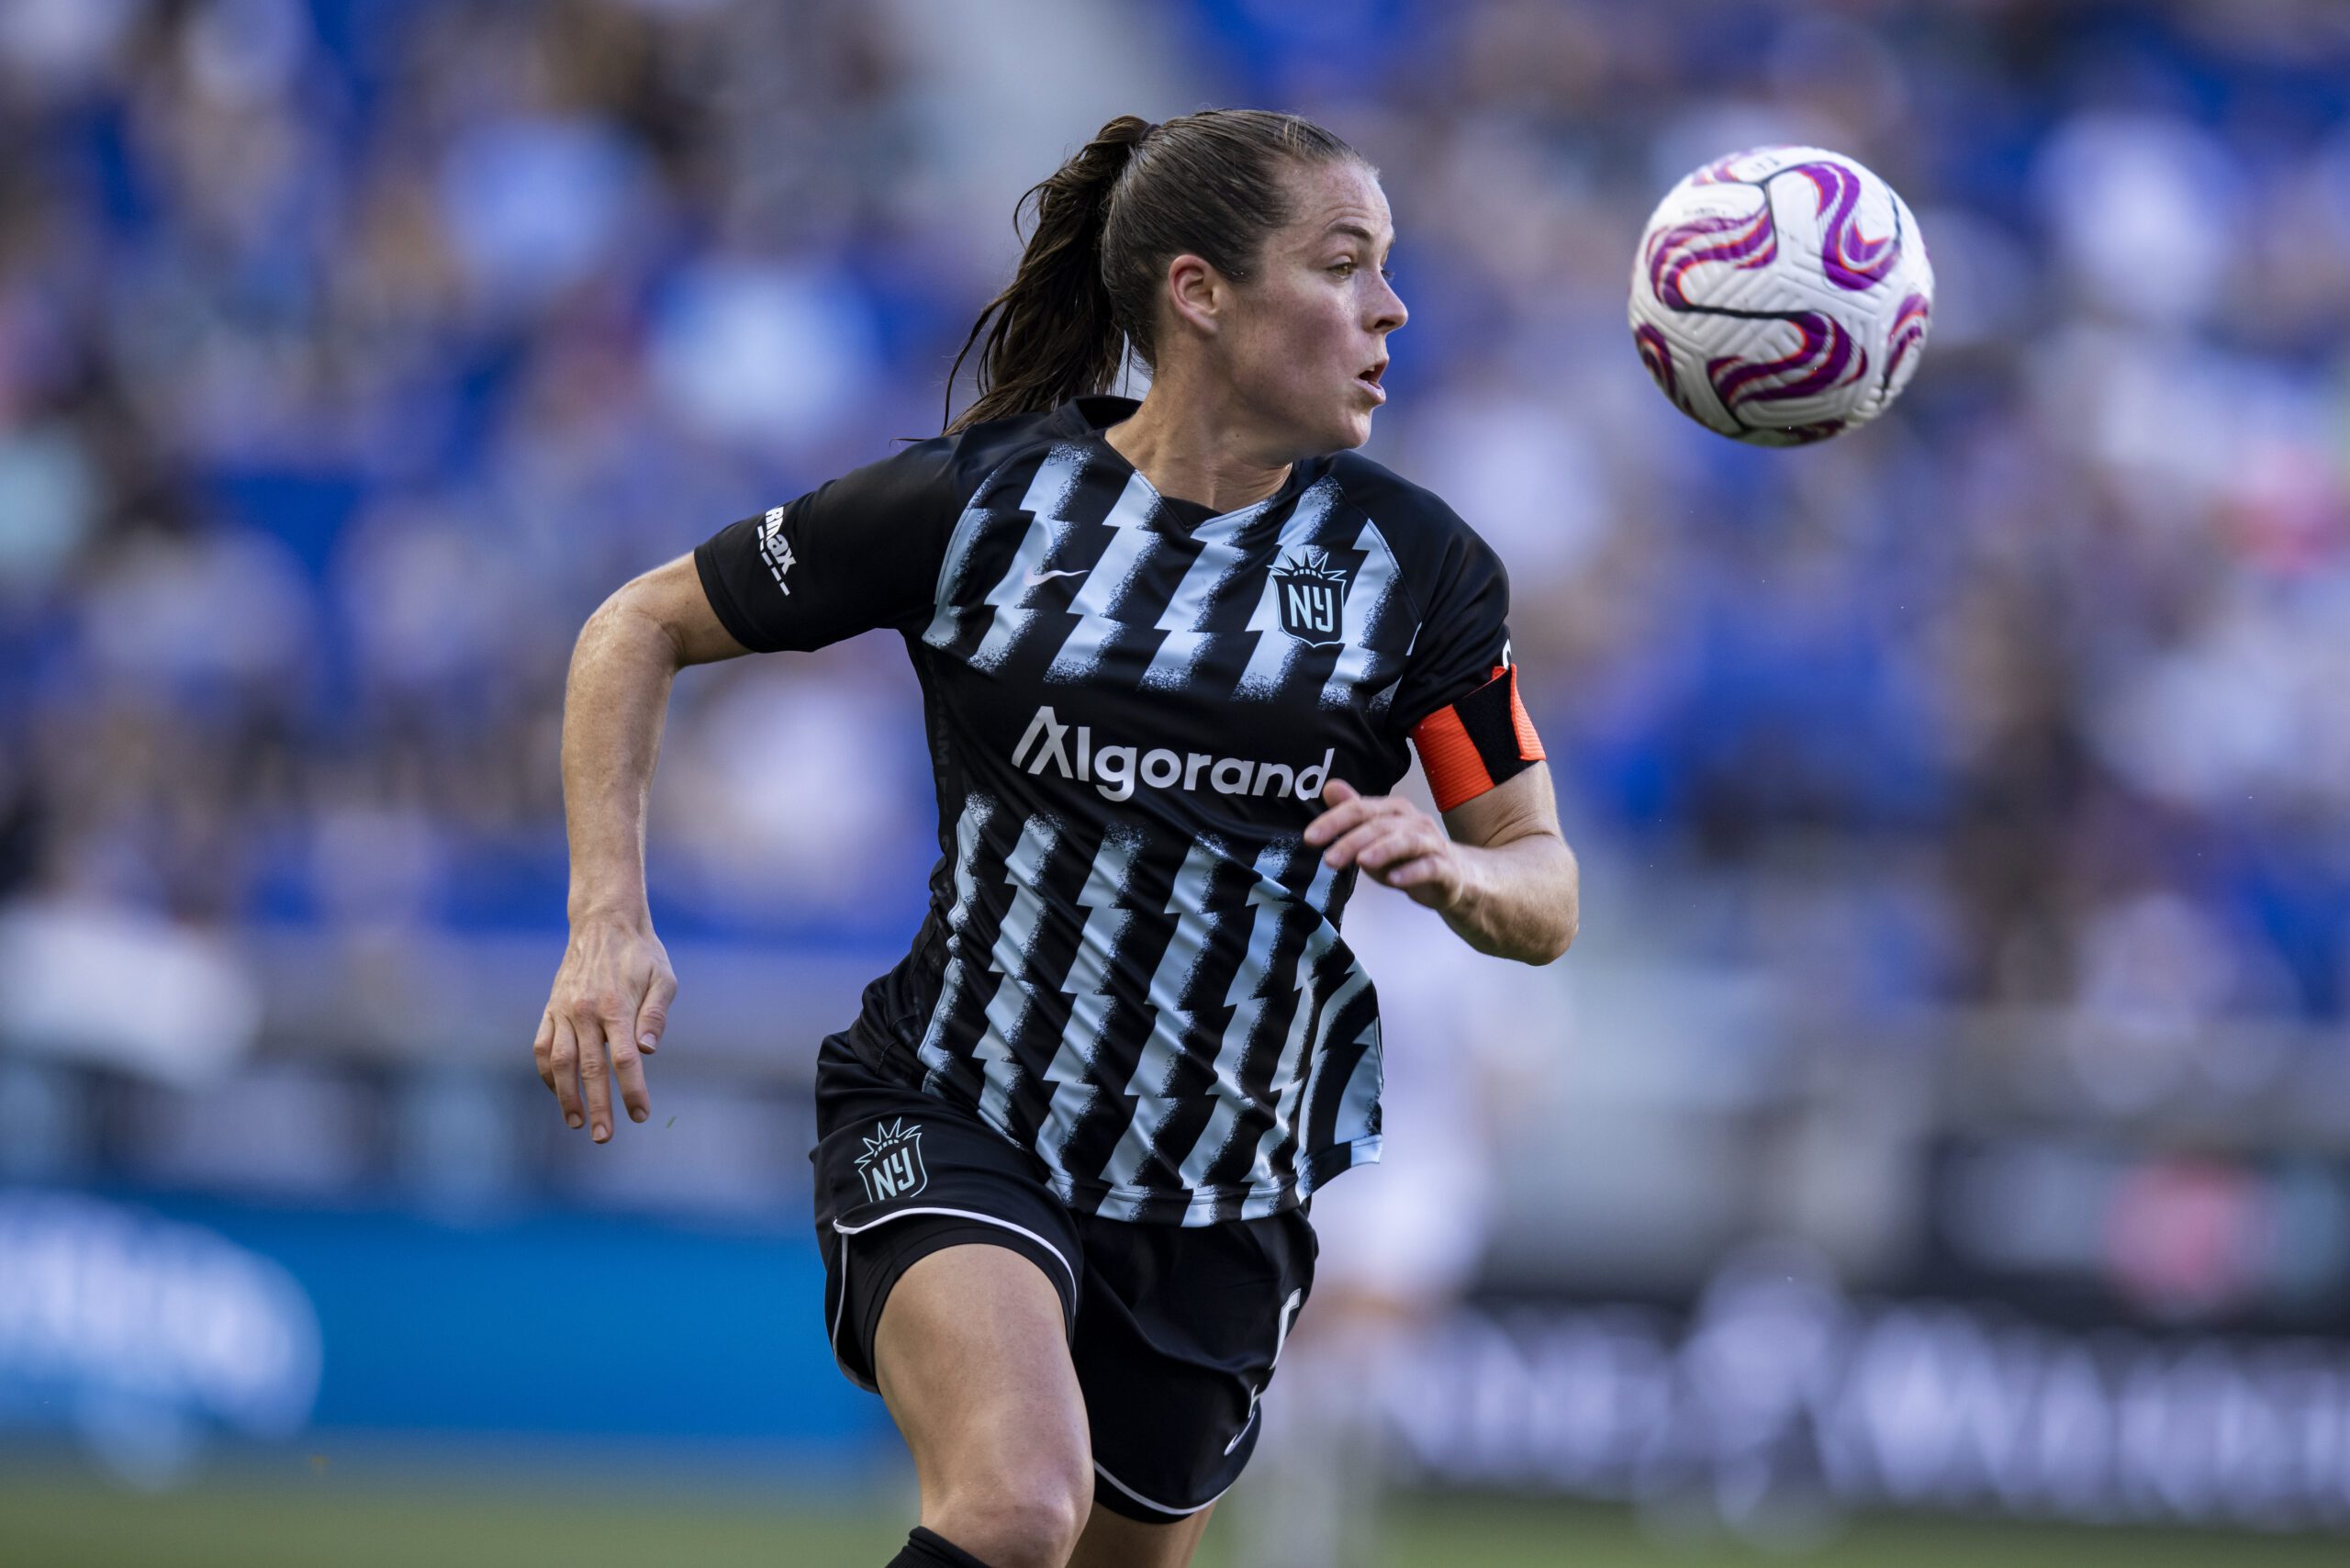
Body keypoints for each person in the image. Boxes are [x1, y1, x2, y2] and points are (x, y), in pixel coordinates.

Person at [531, 109, 1579, 1568]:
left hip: (1218, 1199)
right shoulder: (981, 503)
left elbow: (1543, 881)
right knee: (1018, 1505)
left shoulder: (1420, 572)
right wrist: (606, 917)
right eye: (1344, 265)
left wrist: (1467, 872)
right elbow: (636, 623)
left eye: (1386, 268)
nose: (1391, 308)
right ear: (1199, 292)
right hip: (955, 1110)